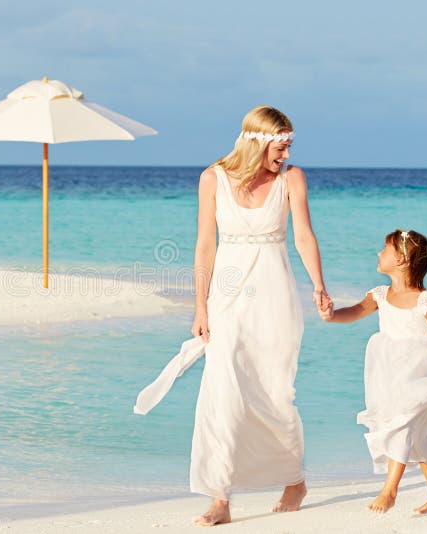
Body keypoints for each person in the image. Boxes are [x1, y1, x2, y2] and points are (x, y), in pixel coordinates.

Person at [133, 105, 330, 526]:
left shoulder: (291, 179)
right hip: (227, 295)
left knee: (277, 392)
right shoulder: (213, 178)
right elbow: (205, 244)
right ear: (257, 140)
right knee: (221, 390)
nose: (286, 153)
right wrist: (199, 305)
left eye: (289, 145)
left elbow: (303, 235)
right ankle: (219, 496)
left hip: (275, 296)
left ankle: (294, 480)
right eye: (281, 145)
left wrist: (319, 285)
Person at [319, 229, 427, 514]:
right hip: (391, 372)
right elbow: (353, 312)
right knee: (421, 433)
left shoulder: (424, 301)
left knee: (402, 422)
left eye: (385, 250)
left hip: (423, 372)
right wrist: (331, 315)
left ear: (401, 260)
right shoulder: (380, 295)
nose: (379, 253)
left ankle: (389, 490)